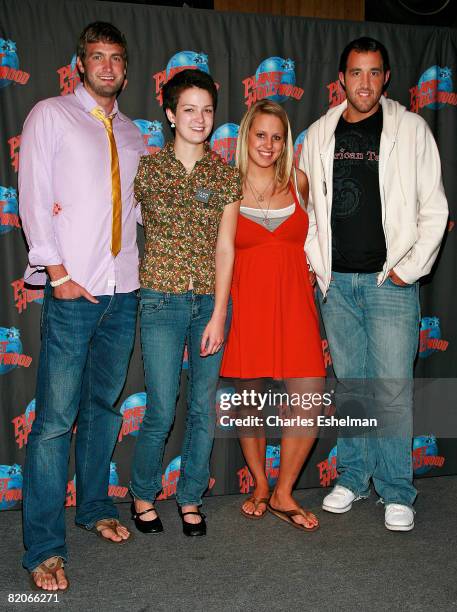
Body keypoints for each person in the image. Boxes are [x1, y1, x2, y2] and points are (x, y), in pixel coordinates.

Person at [300, 37, 448, 531]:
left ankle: (397, 491)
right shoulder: (319, 133)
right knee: (353, 388)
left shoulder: (411, 129)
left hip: (390, 282)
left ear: (386, 77)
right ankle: (353, 476)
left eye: (373, 72)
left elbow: (435, 208)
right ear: (341, 78)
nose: (364, 82)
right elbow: (308, 212)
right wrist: (317, 265)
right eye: (355, 73)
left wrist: (409, 268)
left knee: (390, 390)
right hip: (337, 284)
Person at [19, 22, 144, 590]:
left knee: (103, 409)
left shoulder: (135, 135)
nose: (108, 67)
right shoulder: (49, 115)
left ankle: (94, 507)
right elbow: (33, 195)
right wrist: (57, 272)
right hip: (74, 292)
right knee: (54, 424)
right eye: (97, 57)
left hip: (123, 290)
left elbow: (140, 215)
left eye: (116, 58)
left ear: (124, 67)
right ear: (79, 63)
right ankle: (43, 548)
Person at [130, 69, 241, 537]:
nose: (199, 118)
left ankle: (191, 497)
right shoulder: (149, 170)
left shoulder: (224, 174)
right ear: (171, 115)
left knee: (202, 408)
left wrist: (218, 313)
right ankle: (141, 494)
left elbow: (225, 248)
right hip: (160, 301)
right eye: (189, 109)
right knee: (160, 407)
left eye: (208, 110)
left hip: (208, 307)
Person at [221, 99, 326, 532]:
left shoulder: (300, 182)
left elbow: (320, 236)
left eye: (277, 137)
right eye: (260, 135)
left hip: (296, 302)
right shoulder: (226, 184)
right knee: (250, 401)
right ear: (247, 136)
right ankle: (261, 485)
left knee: (309, 394)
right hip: (248, 303)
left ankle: (285, 492)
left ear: (286, 142)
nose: (268, 145)